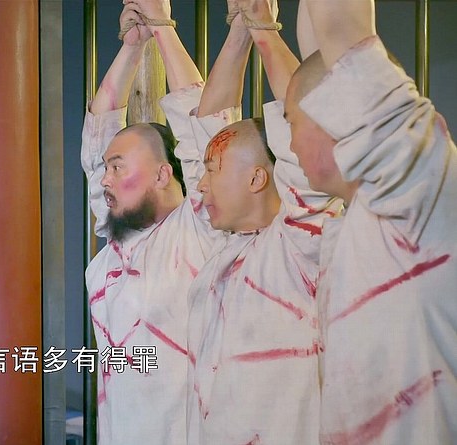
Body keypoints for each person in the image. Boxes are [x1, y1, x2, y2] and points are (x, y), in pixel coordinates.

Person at [286, 1, 457, 443]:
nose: (289, 143)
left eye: (291, 122)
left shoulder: (413, 188)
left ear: (332, 114)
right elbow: (324, 56)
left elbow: (341, 26)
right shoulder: (363, 219)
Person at [81, 0, 241, 440]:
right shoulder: (115, 243)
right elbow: (97, 136)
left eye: (118, 168)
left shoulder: (199, 230)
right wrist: (132, 46)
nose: (105, 178)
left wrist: (163, 27)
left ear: (162, 174)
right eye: (107, 169)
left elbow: (205, 130)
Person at [184, 0, 342, 443]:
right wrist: (240, 29)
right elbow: (210, 126)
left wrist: (265, 28)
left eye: (211, 172)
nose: (199, 186)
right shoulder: (224, 247)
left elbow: (305, 119)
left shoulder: (300, 245)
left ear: (257, 178)